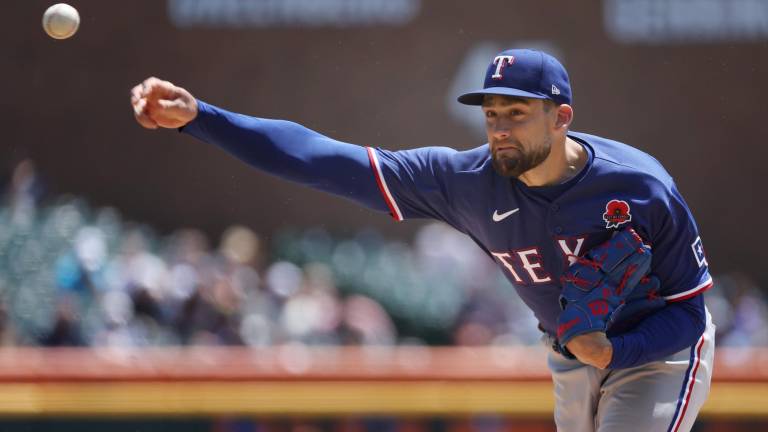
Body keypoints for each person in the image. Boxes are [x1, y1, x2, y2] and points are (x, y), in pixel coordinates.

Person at [130, 49, 715, 431]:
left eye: (517, 113)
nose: (501, 129)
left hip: (657, 348)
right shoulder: (464, 181)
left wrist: (617, 353)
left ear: (562, 117)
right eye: (491, 116)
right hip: (568, 350)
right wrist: (201, 117)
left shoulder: (639, 186)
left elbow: (690, 312)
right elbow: (320, 159)